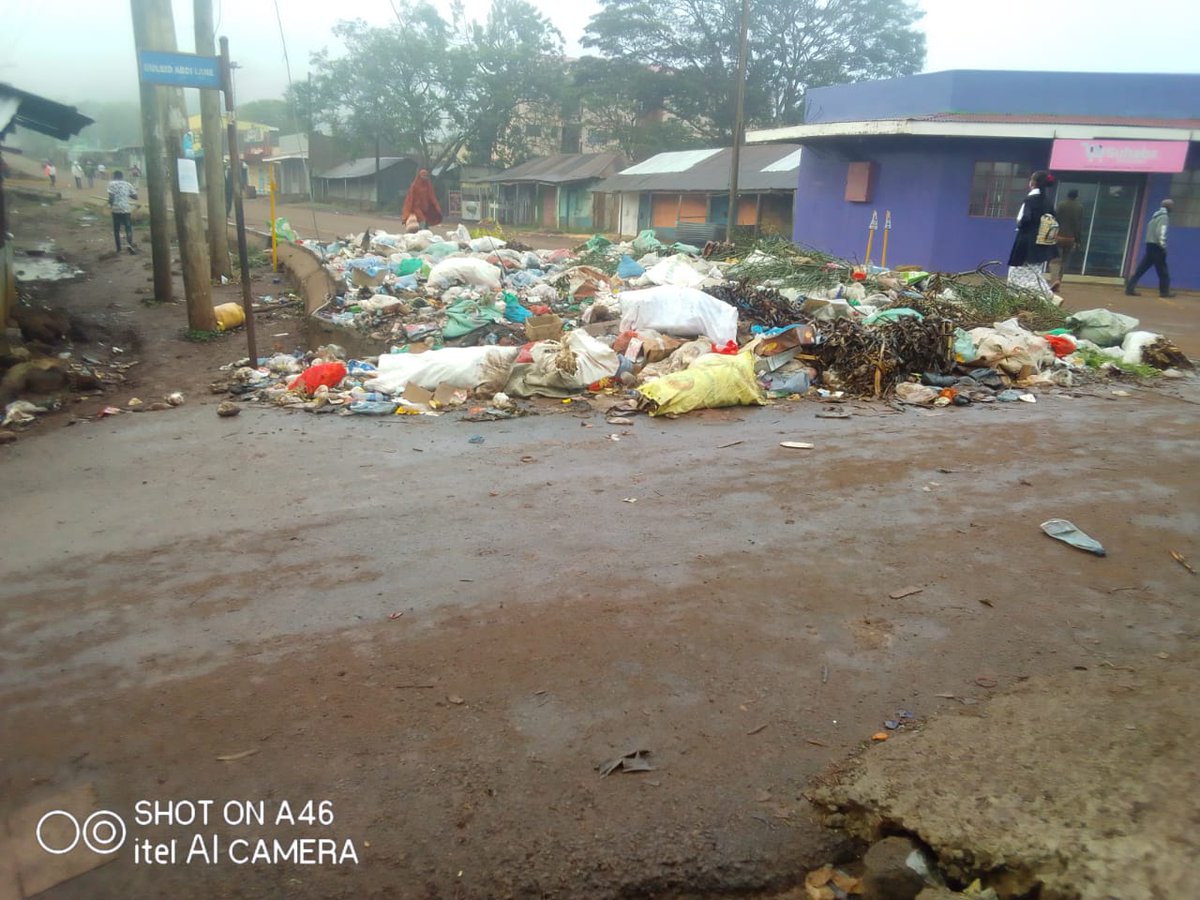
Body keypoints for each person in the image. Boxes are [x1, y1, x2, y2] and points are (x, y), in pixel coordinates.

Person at [1006, 169, 1058, 297]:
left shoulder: (1030, 200)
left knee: (1018, 271)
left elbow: (1023, 218)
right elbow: (1053, 217)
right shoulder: (1048, 201)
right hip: (1041, 241)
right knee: (1035, 271)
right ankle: (1047, 295)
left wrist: (1021, 225)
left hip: (1026, 241)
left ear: (1033, 183)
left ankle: (1042, 295)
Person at [1125, 199, 1174, 298]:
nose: (1173, 207)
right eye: (1172, 206)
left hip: (1150, 245)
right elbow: (1161, 232)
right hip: (1157, 247)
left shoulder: (1155, 216)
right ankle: (1164, 292)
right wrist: (1163, 246)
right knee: (1163, 271)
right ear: (1168, 207)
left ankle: (1129, 288)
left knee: (1141, 269)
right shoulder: (1164, 217)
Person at [1051, 188, 1084, 291]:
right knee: (1064, 262)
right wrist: (1078, 240)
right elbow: (1079, 225)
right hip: (1071, 238)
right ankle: (1059, 282)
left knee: (1055, 260)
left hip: (1059, 236)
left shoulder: (1061, 205)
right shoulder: (1079, 207)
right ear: (1076, 196)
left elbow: (1055, 220)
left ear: (1067, 195)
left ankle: (1054, 281)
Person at [107, 169, 138, 254]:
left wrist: (109, 205)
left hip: (116, 209)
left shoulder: (111, 184)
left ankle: (118, 249)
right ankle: (129, 244)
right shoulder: (128, 184)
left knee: (116, 229)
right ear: (122, 177)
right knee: (128, 228)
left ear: (114, 176)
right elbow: (135, 197)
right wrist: (126, 194)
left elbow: (111, 197)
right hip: (126, 208)